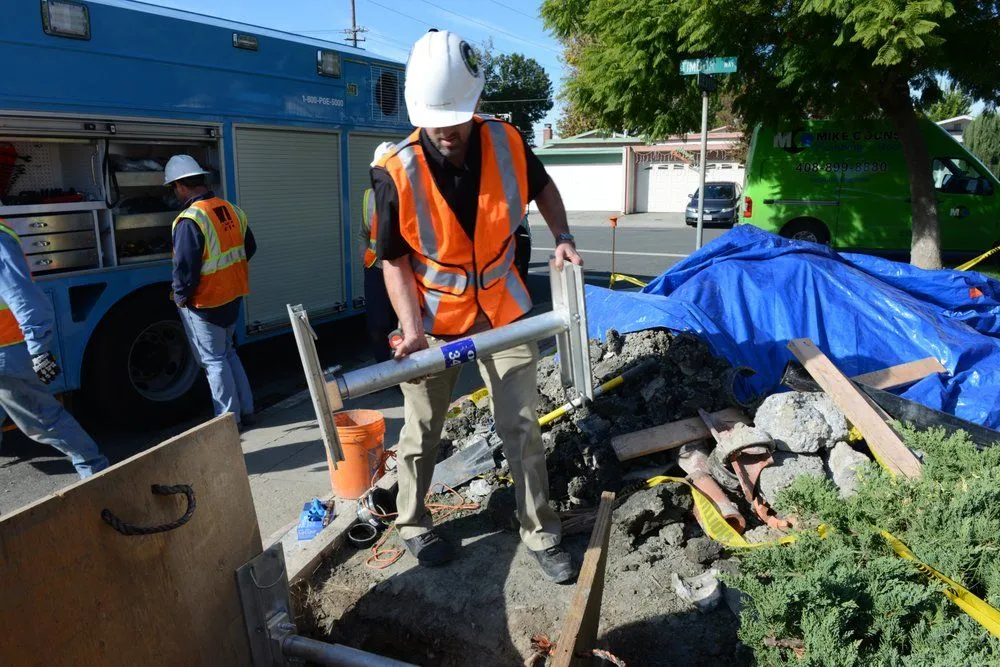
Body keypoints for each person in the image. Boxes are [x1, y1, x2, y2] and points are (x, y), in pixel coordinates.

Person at [371, 29, 583, 583]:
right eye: (434, 119)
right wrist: (411, 330)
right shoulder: (395, 169)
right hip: (433, 324)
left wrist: (562, 235)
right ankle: (413, 524)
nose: (445, 130)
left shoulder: (508, 140)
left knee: (522, 425)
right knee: (421, 432)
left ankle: (540, 531)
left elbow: (545, 188)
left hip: (503, 310)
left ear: (474, 105)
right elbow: (393, 260)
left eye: (455, 117)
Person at [0, 218, 109, 478]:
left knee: (42, 419)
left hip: (7, 349)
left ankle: (97, 473)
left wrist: (38, 349)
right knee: (41, 417)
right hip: (6, 348)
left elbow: (20, 295)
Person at [166, 155, 256, 430]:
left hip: (205, 302)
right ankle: (247, 409)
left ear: (181, 186)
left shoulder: (189, 219)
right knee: (228, 353)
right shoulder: (231, 209)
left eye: (173, 187)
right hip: (233, 295)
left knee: (214, 361)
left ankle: (228, 422)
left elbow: (184, 268)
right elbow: (249, 247)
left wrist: (180, 297)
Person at [361, 142, 399, 363]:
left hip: (402, 271)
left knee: (398, 326)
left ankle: (401, 374)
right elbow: (363, 233)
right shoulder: (369, 197)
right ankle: (383, 372)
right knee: (376, 326)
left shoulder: (411, 195)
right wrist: (363, 258)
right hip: (376, 270)